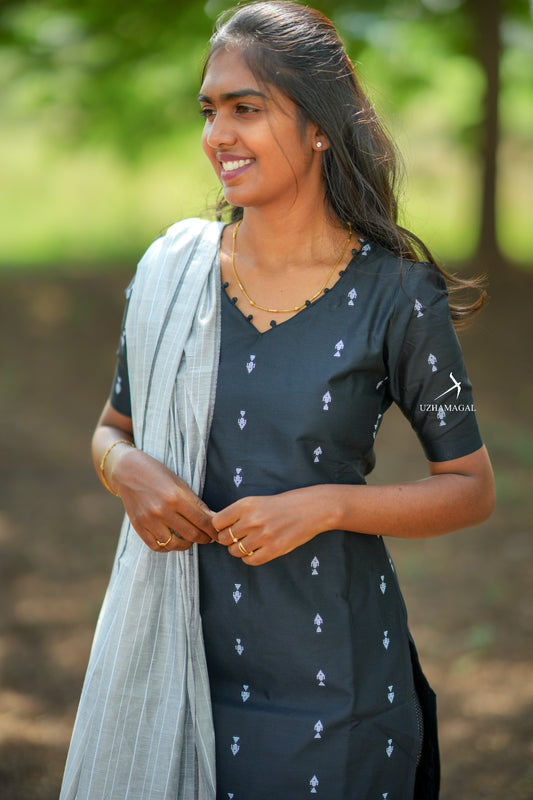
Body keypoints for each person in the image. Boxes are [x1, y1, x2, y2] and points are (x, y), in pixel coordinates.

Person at [60, 2, 495, 799]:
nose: (217, 135)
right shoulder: (174, 276)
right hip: (176, 664)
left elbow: (469, 489)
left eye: (246, 108)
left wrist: (326, 505)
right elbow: (110, 430)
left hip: (335, 689)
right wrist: (126, 471)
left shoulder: (395, 295)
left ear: (319, 126)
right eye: (209, 111)